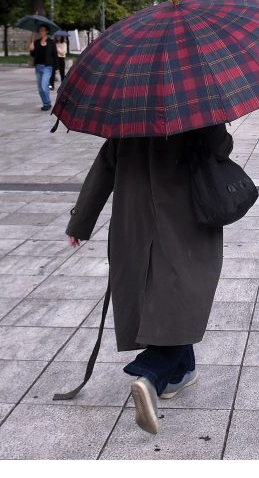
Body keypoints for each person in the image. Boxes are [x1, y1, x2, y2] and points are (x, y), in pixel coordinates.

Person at [66, 124, 232, 434]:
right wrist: (216, 125)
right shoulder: (197, 112)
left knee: (169, 300)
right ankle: (151, 374)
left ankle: (181, 373)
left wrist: (80, 222)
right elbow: (221, 150)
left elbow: (105, 166)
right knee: (186, 297)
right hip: (186, 222)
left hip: (135, 221)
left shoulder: (130, 116)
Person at [29, 25, 56, 110]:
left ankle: (47, 102)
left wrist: (57, 68)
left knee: (44, 85)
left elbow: (55, 55)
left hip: (47, 67)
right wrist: (31, 49)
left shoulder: (51, 42)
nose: (41, 32)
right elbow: (33, 55)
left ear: (47, 32)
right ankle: (46, 104)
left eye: (43, 30)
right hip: (38, 67)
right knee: (40, 88)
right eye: (40, 30)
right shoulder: (36, 42)